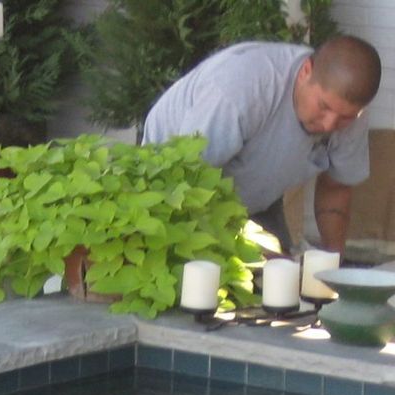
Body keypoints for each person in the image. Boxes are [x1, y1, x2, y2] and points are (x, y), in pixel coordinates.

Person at [142, 35, 381, 255]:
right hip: (173, 190)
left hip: (257, 197)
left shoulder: (352, 116)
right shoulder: (241, 88)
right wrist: (251, 249)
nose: (330, 124)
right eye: (324, 107)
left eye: (346, 117)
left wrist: (334, 265)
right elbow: (186, 182)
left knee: (280, 282)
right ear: (305, 72)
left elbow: (336, 188)